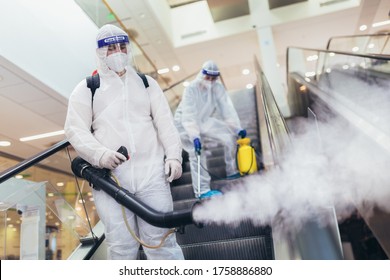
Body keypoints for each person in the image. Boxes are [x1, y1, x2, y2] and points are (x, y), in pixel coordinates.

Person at [64, 24, 184, 260]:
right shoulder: (88, 88)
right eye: (110, 48)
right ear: (100, 52)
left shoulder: (146, 83)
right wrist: (100, 155)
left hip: (152, 176)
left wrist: (173, 156)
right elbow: (75, 129)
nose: (117, 52)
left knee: (162, 243)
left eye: (121, 46)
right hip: (113, 182)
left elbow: (165, 124)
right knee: (121, 247)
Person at [174, 60, 246, 199]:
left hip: (203, 120)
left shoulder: (217, 87)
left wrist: (237, 128)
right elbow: (189, 116)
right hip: (184, 124)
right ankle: (202, 191)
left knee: (228, 135)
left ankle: (232, 170)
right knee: (198, 154)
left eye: (214, 78)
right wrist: (194, 136)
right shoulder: (191, 89)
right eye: (208, 77)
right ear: (202, 75)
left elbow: (227, 109)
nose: (210, 81)